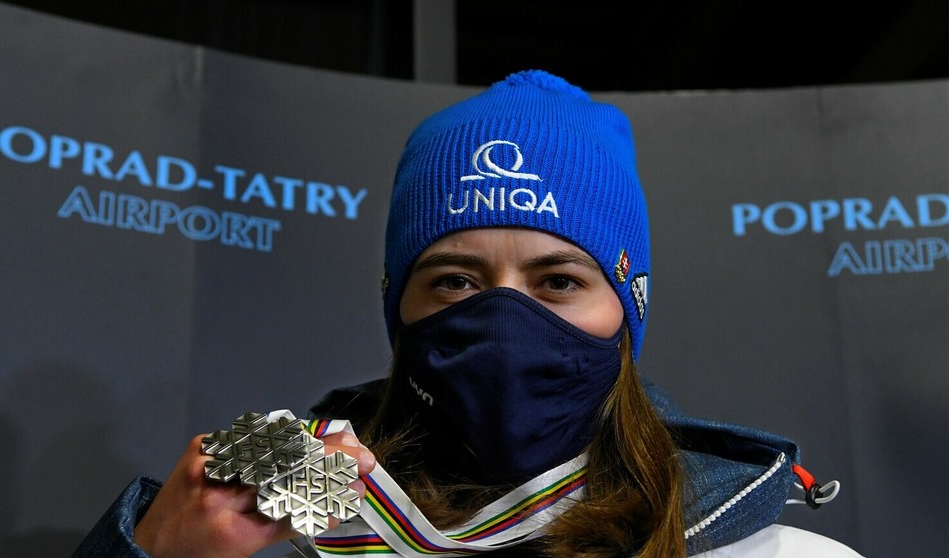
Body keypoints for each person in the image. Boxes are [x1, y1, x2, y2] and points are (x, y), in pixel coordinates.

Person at [73, 69, 864, 557]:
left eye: (557, 282)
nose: (503, 323)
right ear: (399, 308)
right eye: (455, 282)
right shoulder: (304, 543)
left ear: (627, 312)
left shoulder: (775, 555)